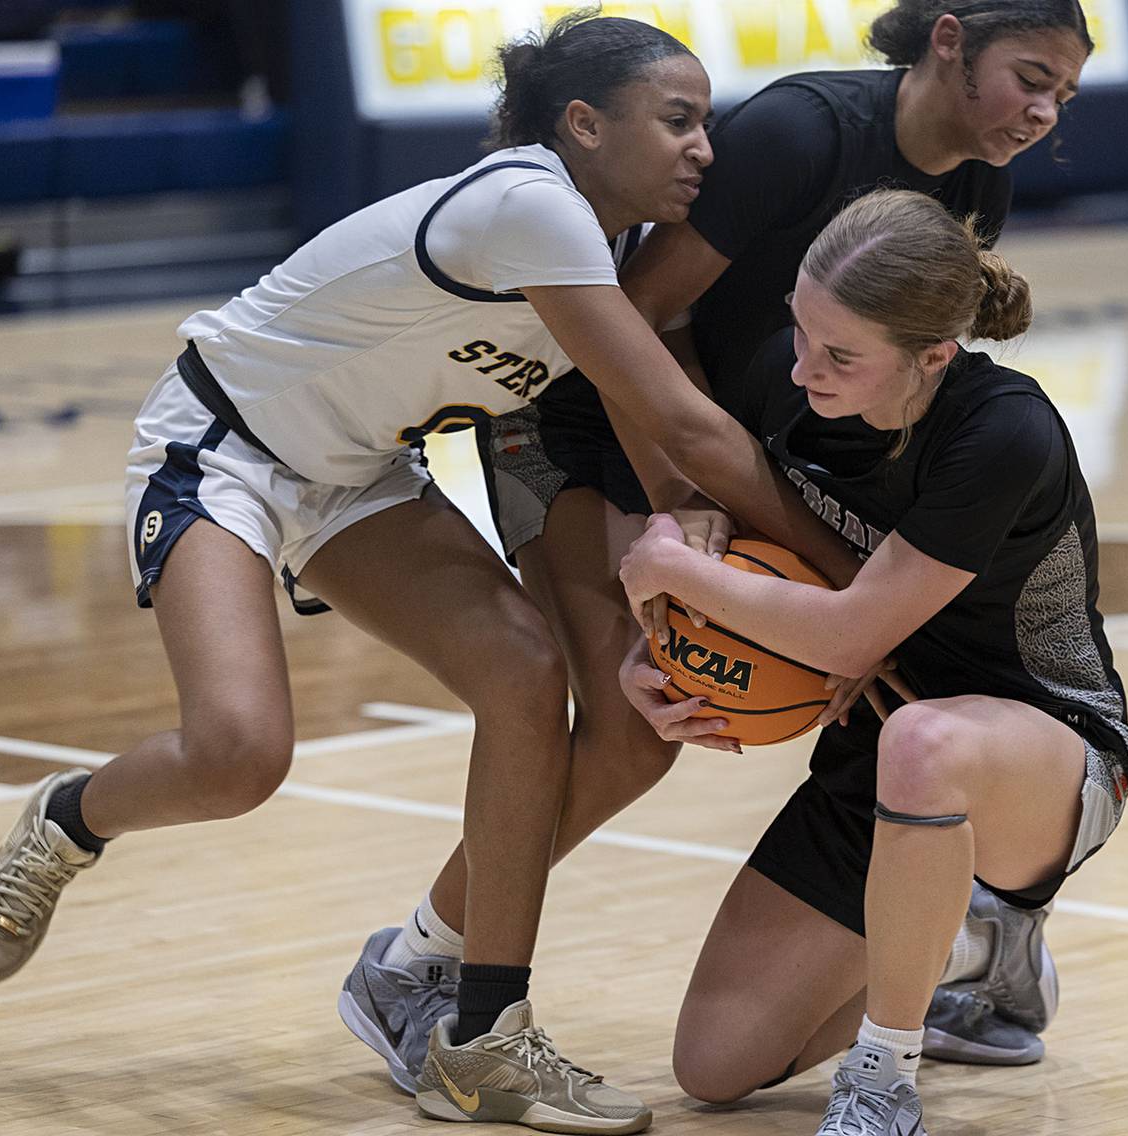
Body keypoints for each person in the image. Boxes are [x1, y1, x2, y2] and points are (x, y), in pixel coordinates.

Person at [0, 14, 861, 1133]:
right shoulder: (529, 204)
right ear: (584, 123)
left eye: (708, 123)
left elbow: (661, 446)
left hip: (366, 473)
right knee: (239, 753)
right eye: (678, 120)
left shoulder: (615, 250)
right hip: (227, 446)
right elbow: (689, 425)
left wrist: (681, 570)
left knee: (526, 674)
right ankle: (66, 821)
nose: (704, 148)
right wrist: (849, 591)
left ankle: (483, 1037)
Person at [445, 0, 1095, 1068]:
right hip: (602, 404)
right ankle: (433, 958)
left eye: (1062, 94)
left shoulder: (978, 183)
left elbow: (888, 396)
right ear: (948, 41)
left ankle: (961, 931)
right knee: (626, 719)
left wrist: (814, 595)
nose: (1043, 110)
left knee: (674, 711)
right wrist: (672, 503)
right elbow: (630, 323)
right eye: (1030, 76)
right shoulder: (804, 133)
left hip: (735, 449)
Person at [617, 187, 1128, 1136]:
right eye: (800, 331)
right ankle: (961, 941)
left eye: (841, 354)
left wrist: (670, 573)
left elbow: (855, 634)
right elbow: (714, 521)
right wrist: (654, 646)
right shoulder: (797, 384)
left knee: (924, 739)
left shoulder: (1002, 431)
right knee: (717, 1067)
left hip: (1051, 753)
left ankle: (884, 1078)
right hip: (880, 756)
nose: (803, 366)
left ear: (933, 357)